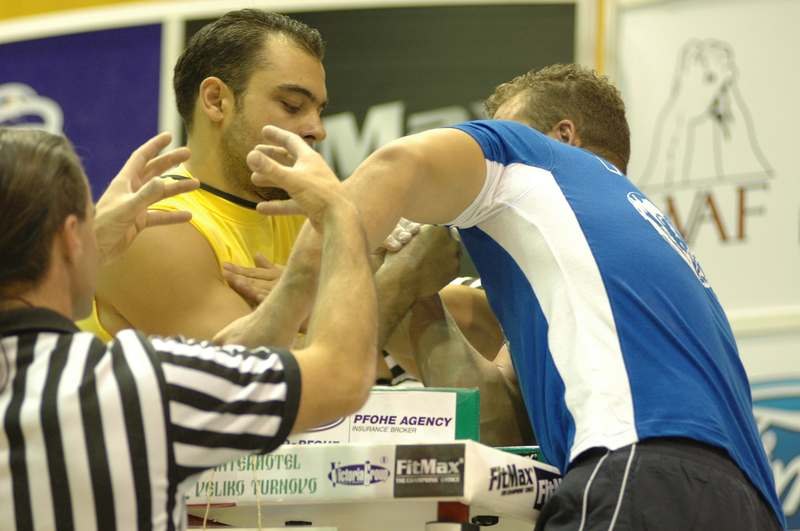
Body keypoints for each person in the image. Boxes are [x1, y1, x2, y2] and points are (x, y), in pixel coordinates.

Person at [243, 64, 785, 529]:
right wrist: (418, 291)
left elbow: (395, 166)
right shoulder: (627, 237)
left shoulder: (530, 155)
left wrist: (318, 244)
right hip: (746, 502)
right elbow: (500, 419)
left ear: (563, 134)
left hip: (646, 473)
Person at [0, 127, 377, 530]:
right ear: (71, 237)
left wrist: (83, 251)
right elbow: (341, 377)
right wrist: (341, 216)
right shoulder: (142, 383)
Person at [80, 9, 326, 341]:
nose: (317, 129)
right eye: (293, 105)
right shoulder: (153, 227)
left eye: (320, 110)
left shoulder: (307, 218)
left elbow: (388, 371)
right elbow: (265, 379)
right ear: (215, 101)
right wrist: (321, 308)